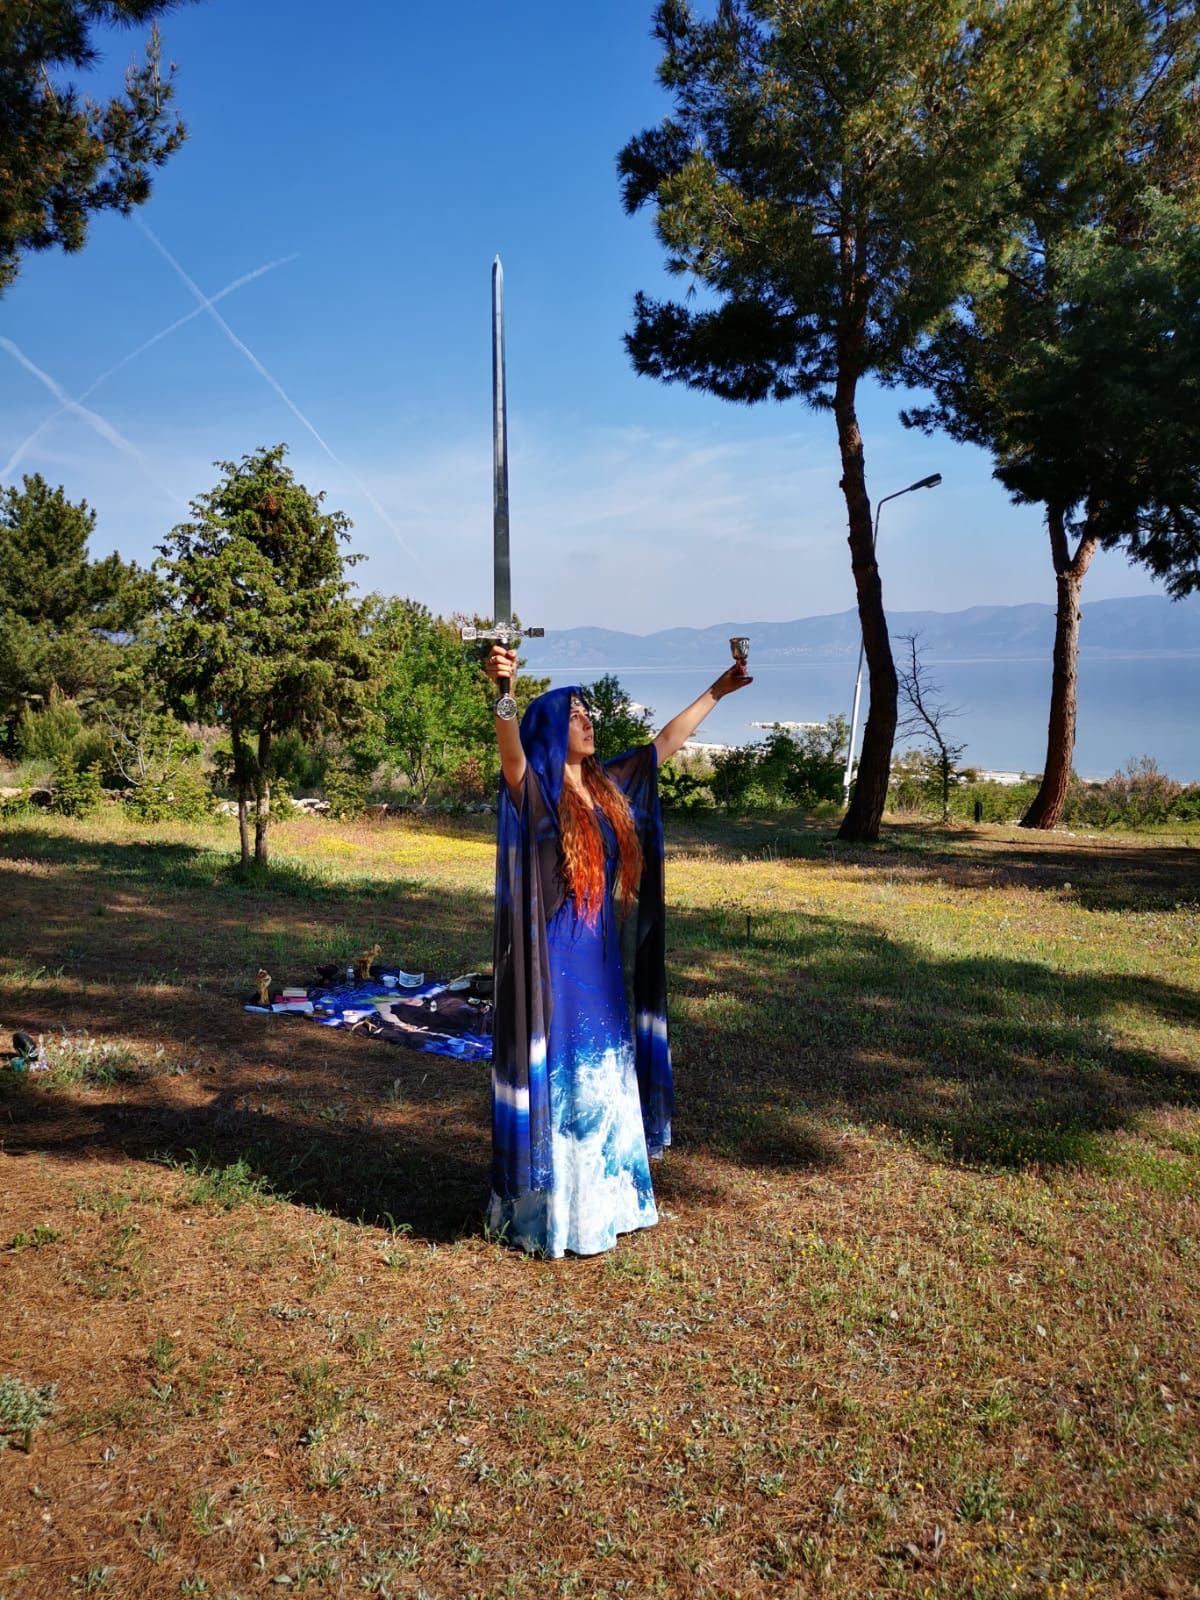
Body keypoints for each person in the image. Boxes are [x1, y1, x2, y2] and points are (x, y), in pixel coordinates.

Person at [484, 645, 752, 1257]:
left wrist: (718, 689)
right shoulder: (536, 793)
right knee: (567, 1074)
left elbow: (665, 743)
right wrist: (504, 694)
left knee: (606, 1072)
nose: (587, 720)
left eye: (588, 712)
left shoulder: (608, 786)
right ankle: (556, 1216)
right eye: (574, 714)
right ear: (551, 729)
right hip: (556, 961)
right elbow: (510, 753)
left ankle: (611, 1202)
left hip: (601, 962)